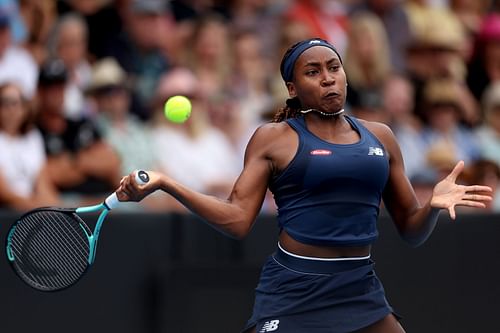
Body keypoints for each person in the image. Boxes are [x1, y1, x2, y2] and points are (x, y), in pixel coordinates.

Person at [116, 38, 492, 332]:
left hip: (360, 288)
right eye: (313, 72)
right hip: (295, 289)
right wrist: (168, 183)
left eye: (334, 67)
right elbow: (236, 220)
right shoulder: (273, 138)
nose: (328, 77)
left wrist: (432, 208)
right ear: (292, 88)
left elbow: (411, 229)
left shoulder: (382, 137)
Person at [0, 82, 60, 210]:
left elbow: (42, 181)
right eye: (5, 102)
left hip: (31, 209)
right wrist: (36, 207)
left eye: (16, 102)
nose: (11, 109)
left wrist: (53, 206)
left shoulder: (33, 137)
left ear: (25, 107)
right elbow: (3, 192)